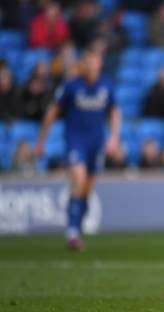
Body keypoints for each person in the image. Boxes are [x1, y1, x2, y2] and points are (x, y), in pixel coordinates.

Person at [35, 49, 121, 250]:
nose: (91, 66)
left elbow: (115, 112)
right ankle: (72, 232)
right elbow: (53, 112)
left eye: (95, 61)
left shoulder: (106, 85)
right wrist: (41, 141)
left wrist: (114, 138)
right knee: (79, 180)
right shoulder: (71, 86)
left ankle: (78, 225)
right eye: (88, 61)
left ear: (100, 63)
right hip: (75, 141)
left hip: (96, 143)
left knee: (87, 189)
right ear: (84, 63)